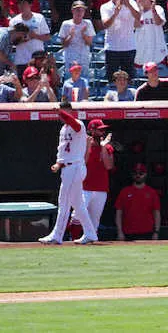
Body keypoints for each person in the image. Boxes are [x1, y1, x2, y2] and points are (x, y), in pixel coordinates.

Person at [39, 100, 99, 245]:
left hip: (75, 168)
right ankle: (91, 234)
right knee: (78, 205)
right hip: (67, 167)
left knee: (63, 202)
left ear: (71, 112)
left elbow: (74, 123)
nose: (62, 115)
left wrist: (61, 112)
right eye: (62, 112)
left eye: (66, 111)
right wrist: (58, 164)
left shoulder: (78, 124)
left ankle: (57, 236)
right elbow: (65, 149)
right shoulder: (63, 129)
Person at [80, 119, 114, 238]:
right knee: (78, 214)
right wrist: (89, 146)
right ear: (91, 130)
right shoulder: (84, 144)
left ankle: (90, 239)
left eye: (103, 130)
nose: (101, 132)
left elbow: (109, 166)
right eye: (99, 130)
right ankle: (73, 237)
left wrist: (103, 147)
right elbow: (83, 162)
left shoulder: (107, 147)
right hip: (85, 186)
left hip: (100, 187)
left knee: (95, 219)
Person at [114, 164, 161, 241]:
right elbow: (119, 213)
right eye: (135, 173)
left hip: (147, 232)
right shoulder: (124, 192)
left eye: (141, 173)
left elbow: (156, 213)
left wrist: (156, 232)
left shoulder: (152, 193)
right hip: (128, 232)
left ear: (145, 174)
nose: (138, 175)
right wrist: (119, 232)